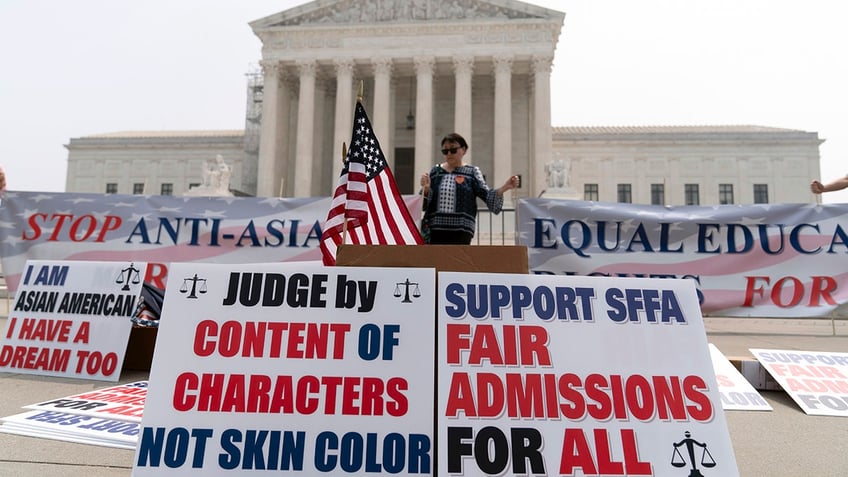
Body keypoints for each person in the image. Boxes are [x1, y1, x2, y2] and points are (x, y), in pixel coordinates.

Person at [419, 132, 520, 244]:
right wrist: (426, 189)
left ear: (464, 150)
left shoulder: (472, 172)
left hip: (461, 231)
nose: (449, 154)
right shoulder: (435, 172)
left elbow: (486, 195)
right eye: (445, 151)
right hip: (435, 230)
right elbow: (422, 205)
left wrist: (505, 188)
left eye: (453, 150)